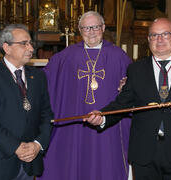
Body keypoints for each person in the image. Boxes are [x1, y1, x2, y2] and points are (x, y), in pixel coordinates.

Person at [84, 18, 171, 180]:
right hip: (143, 154)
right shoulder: (136, 69)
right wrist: (102, 116)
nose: (159, 39)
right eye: (154, 35)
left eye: (165, 34)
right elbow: (122, 103)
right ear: (148, 40)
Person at [37, 11, 132, 180]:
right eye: (86, 28)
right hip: (75, 126)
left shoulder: (119, 56)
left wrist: (128, 84)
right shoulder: (65, 57)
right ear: (80, 31)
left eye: (95, 27)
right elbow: (45, 81)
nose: (91, 32)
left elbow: (133, 87)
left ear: (103, 28)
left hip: (108, 127)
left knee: (106, 165)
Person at [0, 24, 54, 180]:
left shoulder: (38, 77)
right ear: (7, 48)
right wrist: (15, 147)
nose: (30, 48)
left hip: (29, 162)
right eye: (24, 43)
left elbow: (46, 115)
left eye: (30, 43)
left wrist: (37, 144)